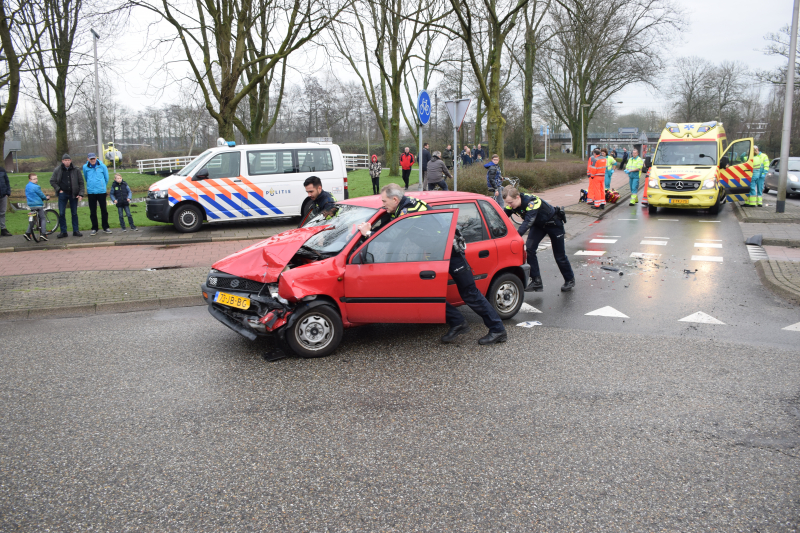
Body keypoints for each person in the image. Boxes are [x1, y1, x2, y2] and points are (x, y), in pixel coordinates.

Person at [356, 183, 507, 345]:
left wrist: (368, 233)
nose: (383, 204)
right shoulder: (403, 206)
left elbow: (394, 234)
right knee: (427, 294)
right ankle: (457, 321)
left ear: (394, 199)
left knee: (469, 293)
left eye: (384, 201)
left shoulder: (409, 211)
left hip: (451, 253)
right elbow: (388, 223)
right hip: (437, 253)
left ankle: (497, 330)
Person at [502, 187, 575, 293]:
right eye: (507, 203)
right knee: (530, 249)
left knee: (559, 256)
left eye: (510, 202)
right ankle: (537, 281)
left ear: (517, 197)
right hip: (539, 226)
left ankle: (569, 279)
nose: (509, 205)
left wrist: (515, 237)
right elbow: (502, 217)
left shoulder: (532, 202)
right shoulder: (512, 203)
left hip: (554, 224)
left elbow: (528, 222)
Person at [50, 154, 85, 238]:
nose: (67, 162)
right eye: (65, 160)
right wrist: (58, 189)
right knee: (62, 213)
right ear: (62, 161)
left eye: (68, 160)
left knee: (74, 213)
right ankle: (63, 231)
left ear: (70, 160)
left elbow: (81, 182)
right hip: (63, 194)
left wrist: (81, 193)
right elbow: (52, 181)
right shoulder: (58, 170)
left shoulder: (76, 169)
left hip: (73, 194)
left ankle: (76, 231)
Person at [83, 152, 112, 235]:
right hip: (91, 192)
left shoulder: (102, 166)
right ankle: (94, 228)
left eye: (94, 158)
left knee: (104, 210)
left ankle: (105, 227)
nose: (92, 160)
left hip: (101, 191)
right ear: (88, 159)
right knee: (93, 211)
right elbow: (86, 177)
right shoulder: (85, 167)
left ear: (96, 158)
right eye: (91, 159)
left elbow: (106, 178)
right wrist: (90, 185)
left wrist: (102, 186)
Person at [24, 173, 49, 241]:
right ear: (30, 180)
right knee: (42, 218)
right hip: (38, 204)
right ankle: (43, 234)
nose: (36, 180)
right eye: (34, 179)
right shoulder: (36, 187)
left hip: (31, 205)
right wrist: (46, 198)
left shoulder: (27, 186)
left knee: (34, 219)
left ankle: (28, 233)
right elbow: (41, 195)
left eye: (36, 178)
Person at [0, 165, 10, 236]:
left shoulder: (2, 170)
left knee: (2, 213)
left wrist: (7, 193)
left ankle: (3, 229)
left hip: (3, 195)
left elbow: (7, 182)